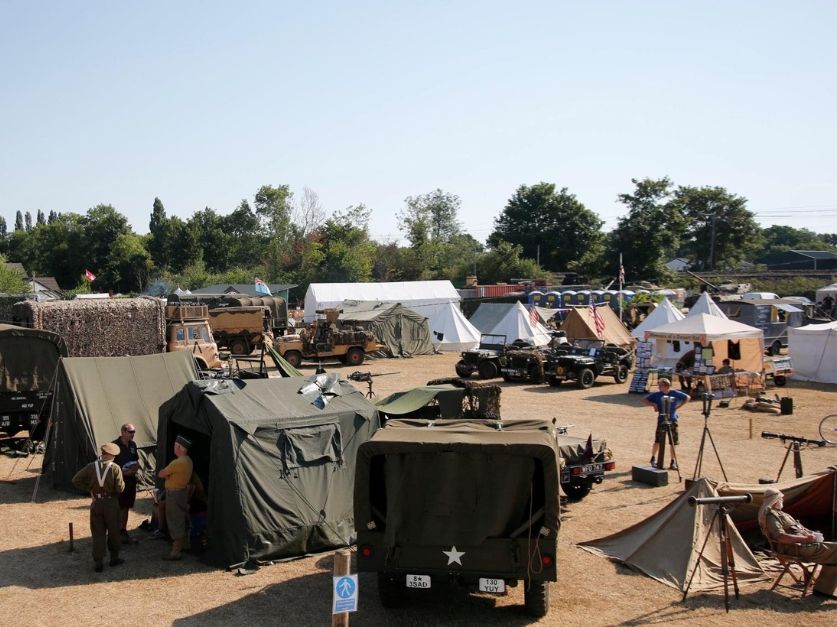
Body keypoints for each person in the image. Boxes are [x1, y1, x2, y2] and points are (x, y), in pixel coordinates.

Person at [759, 488, 837, 597]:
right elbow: (781, 537)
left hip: (804, 545)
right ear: (775, 500)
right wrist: (805, 539)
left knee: (834, 554)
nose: (782, 501)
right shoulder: (771, 516)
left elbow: (799, 529)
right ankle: (822, 590)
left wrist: (812, 534)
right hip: (794, 548)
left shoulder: (782, 514)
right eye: (781, 499)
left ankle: (823, 590)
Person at [72, 442, 126, 572]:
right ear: (112, 455)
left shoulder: (91, 466)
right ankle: (114, 558)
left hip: (96, 503)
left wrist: (90, 490)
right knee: (114, 531)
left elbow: (76, 480)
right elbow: (120, 488)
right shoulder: (115, 468)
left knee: (98, 533)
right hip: (111, 503)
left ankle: (98, 561)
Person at [158, 435, 193, 560]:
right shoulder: (188, 461)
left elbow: (161, 473)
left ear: (179, 447)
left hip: (174, 494)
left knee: (174, 520)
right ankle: (185, 545)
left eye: (174, 445)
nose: (173, 447)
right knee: (182, 518)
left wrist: (168, 477)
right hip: (182, 492)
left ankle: (176, 551)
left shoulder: (177, 463)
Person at [642, 378, 689, 469]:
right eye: (659, 385)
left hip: (673, 420)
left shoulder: (675, 393)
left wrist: (679, 406)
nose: (659, 387)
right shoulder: (657, 395)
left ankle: (673, 462)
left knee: (673, 442)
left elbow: (687, 397)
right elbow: (644, 399)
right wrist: (653, 405)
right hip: (661, 420)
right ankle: (653, 459)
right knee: (658, 441)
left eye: (661, 386)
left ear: (667, 386)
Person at [113, 423, 139, 543]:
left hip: (130, 481)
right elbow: (110, 465)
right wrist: (122, 472)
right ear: (123, 431)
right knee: (117, 507)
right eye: (130, 432)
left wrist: (134, 469)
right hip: (119, 481)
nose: (133, 434)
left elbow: (136, 461)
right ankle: (115, 532)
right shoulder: (114, 445)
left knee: (126, 506)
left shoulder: (133, 445)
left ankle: (123, 530)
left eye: (134, 432)